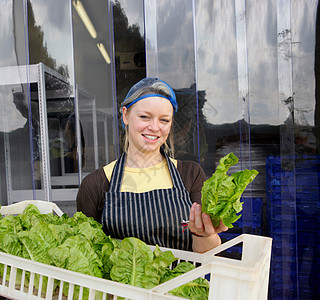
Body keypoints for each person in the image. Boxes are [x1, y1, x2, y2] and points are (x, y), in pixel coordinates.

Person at [76, 77, 228, 253]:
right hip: (120, 282)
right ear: (125, 115)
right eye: (145, 117)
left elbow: (206, 255)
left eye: (164, 120)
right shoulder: (96, 184)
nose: (155, 127)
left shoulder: (190, 174)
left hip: (183, 280)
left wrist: (205, 235)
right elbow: (87, 253)